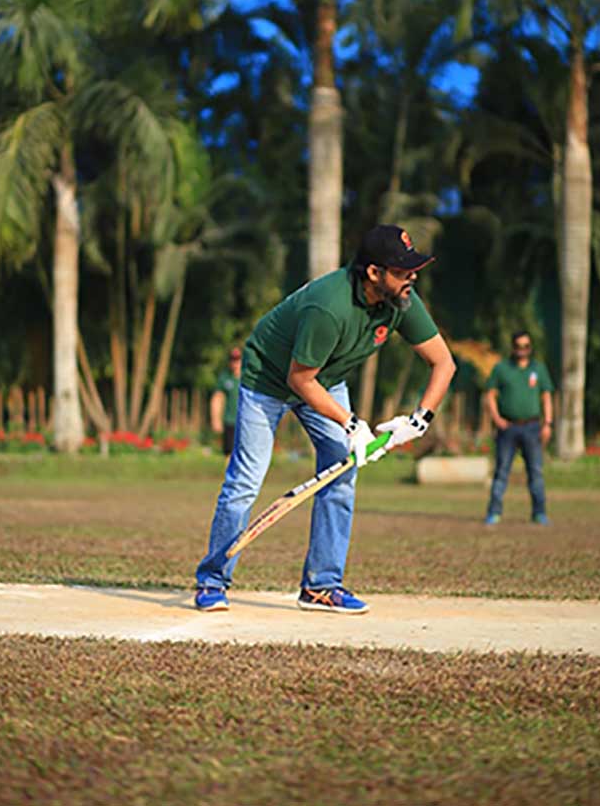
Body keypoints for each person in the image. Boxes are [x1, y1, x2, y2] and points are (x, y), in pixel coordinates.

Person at [194, 224, 456, 614]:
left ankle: (321, 586)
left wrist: (418, 420)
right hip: (269, 379)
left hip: (325, 379)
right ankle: (212, 581)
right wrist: (352, 425)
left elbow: (443, 363)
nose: (412, 278)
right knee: (246, 481)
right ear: (373, 273)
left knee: (341, 471)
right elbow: (299, 379)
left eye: (413, 270)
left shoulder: (401, 300)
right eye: (402, 271)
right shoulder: (329, 307)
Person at [483, 330, 555, 526]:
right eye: (518, 346)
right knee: (501, 471)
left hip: (532, 427)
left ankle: (539, 512)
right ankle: (494, 512)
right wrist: (497, 419)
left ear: (530, 348)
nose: (522, 350)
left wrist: (547, 423)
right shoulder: (502, 368)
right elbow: (490, 395)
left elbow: (546, 396)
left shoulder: (538, 369)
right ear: (513, 347)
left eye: (526, 346)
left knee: (535, 471)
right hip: (508, 427)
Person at [210, 346, 242, 456]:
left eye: (238, 359)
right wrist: (216, 420)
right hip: (230, 420)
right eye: (233, 359)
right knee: (229, 452)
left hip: (246, 421)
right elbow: (217, 398)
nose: (235, 363)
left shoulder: (248, 377)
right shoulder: (225, 377)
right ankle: (229, 472)